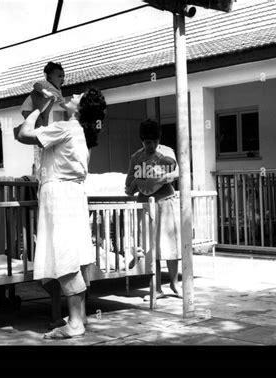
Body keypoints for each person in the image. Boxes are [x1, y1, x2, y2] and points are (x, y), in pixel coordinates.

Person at [14, 87, 106, 338]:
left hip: (60, 198)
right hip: (74, 195)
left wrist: (38, 108)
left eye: (79, 96)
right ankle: (80, 316)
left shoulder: (67, 127)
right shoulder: (81, 132)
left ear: (82, 108)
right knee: (74, 256)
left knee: (64, 258)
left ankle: (75, 323)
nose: (73, 95)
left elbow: (22, 134)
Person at [125, 119, 181, 299]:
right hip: (146, 204)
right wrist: (137, 182)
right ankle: (156, 288)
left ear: (159, 139)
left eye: (154, 141)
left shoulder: (167, 153)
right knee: (152, 247)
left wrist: (159, 178)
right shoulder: (136, 157)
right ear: (142, 140)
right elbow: (128, 185)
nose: (151, 145)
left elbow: (176, 173)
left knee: (170, 245)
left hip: (166, 201)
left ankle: (174, 283)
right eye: (147, 142)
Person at [20, 61, 69, 128]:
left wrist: (70, 108)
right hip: (28, 108)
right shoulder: (46, 84)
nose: (62, 79)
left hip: (40, 110)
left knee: (45, 125)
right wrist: (45, 92)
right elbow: (36, 85)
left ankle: (42, 135)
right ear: (49, 78)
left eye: (63, 76)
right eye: (59, 76)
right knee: (39, 123)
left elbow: (62, 103)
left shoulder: (58, 91)